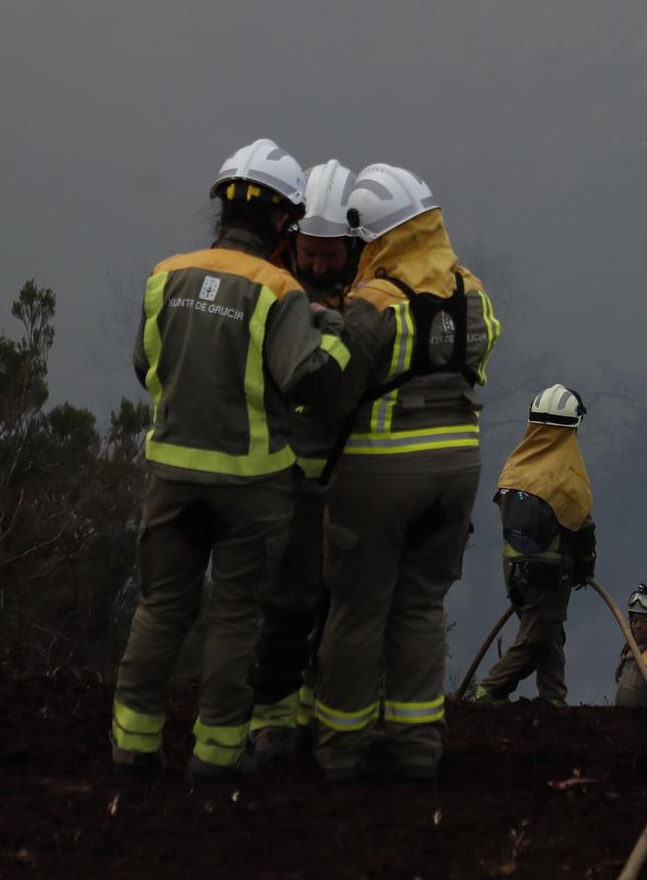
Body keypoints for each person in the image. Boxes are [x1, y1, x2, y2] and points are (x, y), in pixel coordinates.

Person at [110, 140, 354, 781]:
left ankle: (132, 749)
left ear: (221, 209)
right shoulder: (280, 292)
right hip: (252, 486)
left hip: (171, 478)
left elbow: (145, 365)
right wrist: (339, 338)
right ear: (282, 221)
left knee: (160, 608)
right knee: (236, 616)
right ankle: (215, 759)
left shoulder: (167, 275)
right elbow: (306, 382)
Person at [312, 164, 499, 782]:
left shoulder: (370, 308)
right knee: (420, 606)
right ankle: (418, 747)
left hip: (380, 476)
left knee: (358, 610)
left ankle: (342, 750)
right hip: (459, 472)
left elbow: (332, 396)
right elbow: (484, 349)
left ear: (377, 238)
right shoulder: (473, 292)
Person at [248, 160, 360, 765]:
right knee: (285, 608)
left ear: (354, 245)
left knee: (339, 612)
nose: (316, 266)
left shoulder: (370, 297)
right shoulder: (272, 287)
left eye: (329, 255)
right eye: (307, 253)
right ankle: (271, 725)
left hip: (351, 480)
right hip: (286, 480)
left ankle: (318, 716)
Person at [470, 383, 597, 707]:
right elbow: (580, 527)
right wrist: (585, 564)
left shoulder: (516, 465)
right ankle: (486, 692)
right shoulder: (566, 476)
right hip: (549, 572)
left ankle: (553, 699)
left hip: (513, 568)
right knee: (535, 639)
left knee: (550, 633)